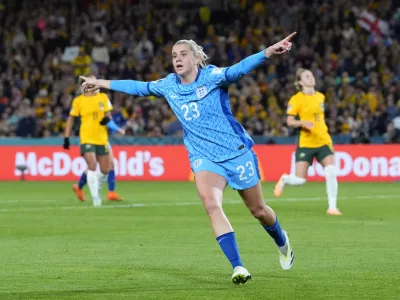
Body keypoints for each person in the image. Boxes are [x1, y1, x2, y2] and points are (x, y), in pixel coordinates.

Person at [80, 32, 296, 284]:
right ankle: (238, 267)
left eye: (183, 54)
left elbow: (238, 70)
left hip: (236, 152)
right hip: (204, 158)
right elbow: (138, 87)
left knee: (259, 211)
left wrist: (266, 52)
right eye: (174, 56)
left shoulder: (213, 76)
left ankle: (282, 241)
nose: (177, 59)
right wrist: (102, 83)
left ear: (196, 58)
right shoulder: (169, 85)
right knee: (212, 205)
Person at [274, 68, 341, 216]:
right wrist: (303, 123)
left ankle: (332, 207)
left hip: (323, 140)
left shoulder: (321, 97)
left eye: (311, 75)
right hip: (306, 142)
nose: (311, 77)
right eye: (307, 76)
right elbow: (290, 121)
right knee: (299, 180)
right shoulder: (296, 99)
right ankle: (285, 179)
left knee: (330, 171)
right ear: (300, 82)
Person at [64, 75, 113, 207]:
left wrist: (106, 120)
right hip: (86, 137)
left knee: (104, 170)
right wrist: (66, 137)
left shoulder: (103, 97)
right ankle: (96, 198)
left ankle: (94, 186)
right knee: (91, 165)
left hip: (102, 138)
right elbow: (71, 119)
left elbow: (109, 116)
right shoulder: (78, 101)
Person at [72, 119, 125, 202]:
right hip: (93, 138)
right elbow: (107, 120)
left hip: (101, 137)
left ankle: (111, 192)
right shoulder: (101, 107)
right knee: (95, 165)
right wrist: (118, 129)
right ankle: (80, 187)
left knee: (109, 163)